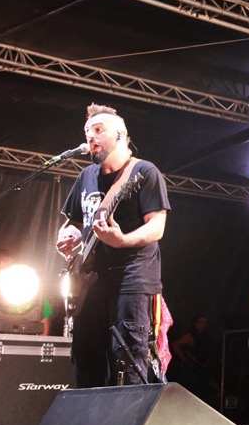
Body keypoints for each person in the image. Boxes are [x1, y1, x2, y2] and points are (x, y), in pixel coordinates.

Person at [55, 103, 171, 388]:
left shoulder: (144, 171)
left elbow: (157, 226)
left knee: (128, 360)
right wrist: (67, 236)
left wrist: (122, 240)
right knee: (86, 359)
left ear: (120, 134)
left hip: (132, 279)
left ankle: (129, 417)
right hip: (92, 282)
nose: (90, 136)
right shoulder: (86, 176)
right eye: (87, 131)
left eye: (98, 129)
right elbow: (74, 222)